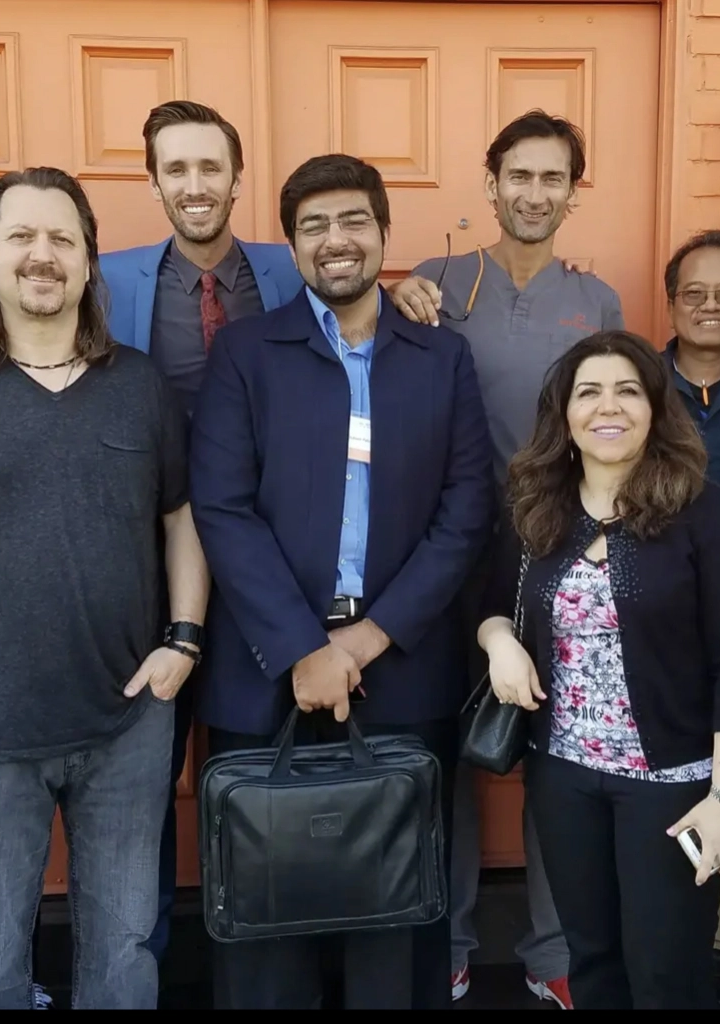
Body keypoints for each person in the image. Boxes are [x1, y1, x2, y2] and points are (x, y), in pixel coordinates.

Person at [189, 153, 495, 1009]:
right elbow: (222, 507)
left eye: (354, 219)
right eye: (314, 225)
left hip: (402, 669)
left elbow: (466, 511)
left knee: (398, 918)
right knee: (267, 911)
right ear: (291, 245)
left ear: (384, 231)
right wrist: (303, 648)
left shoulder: (442, 358)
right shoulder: (246, 352)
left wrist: (367, 638)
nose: (336, 240)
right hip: (267, 673)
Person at [391, 109, 624, 1007]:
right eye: (518, 176)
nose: (534, 193)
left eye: (552, 178)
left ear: (571, 192)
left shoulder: (595, 301)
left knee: (561, 758)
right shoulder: (439, 282)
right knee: (450, 750)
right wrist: (397, 293)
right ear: (490, 186)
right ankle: (447, 941)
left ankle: (553, 955)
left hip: (562, 559)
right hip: (447, 557)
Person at [0, 166, 209, 1009]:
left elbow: (181, 518)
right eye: (21, 236)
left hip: (128, 722)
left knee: (122, 961)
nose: (42, 255)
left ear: (88, 261)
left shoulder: (140, 385)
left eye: (62, 239)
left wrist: (183, 640)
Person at [92, 100, 304, 968]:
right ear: (153, 183)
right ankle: (142, 957)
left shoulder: (293, 268)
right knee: (142, 786)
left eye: (209, 167)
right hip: (150, 578)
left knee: (273, 780)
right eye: (175, 169)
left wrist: (409, 289)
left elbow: (362, 316)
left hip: (272, 572)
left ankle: (265, 958)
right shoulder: (104, 281)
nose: (194, 184)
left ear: (236, 177)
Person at [478, 329, 720, 1009]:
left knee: (667, 974)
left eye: (628, 390)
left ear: (655, 408)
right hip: (564, 779)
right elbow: (491, 605)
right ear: (565, 415)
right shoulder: (537, 509)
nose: (608, 407)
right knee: (592, 963)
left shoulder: (704, 512)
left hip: (673, 789)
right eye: (588, 392)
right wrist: (501, 643)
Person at [662, 229, 720, 1006]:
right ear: (672, 302)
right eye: (696, 292)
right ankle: (697, 950)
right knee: (692, 785)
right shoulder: (638, 390)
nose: (712, 306)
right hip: (667, 628)